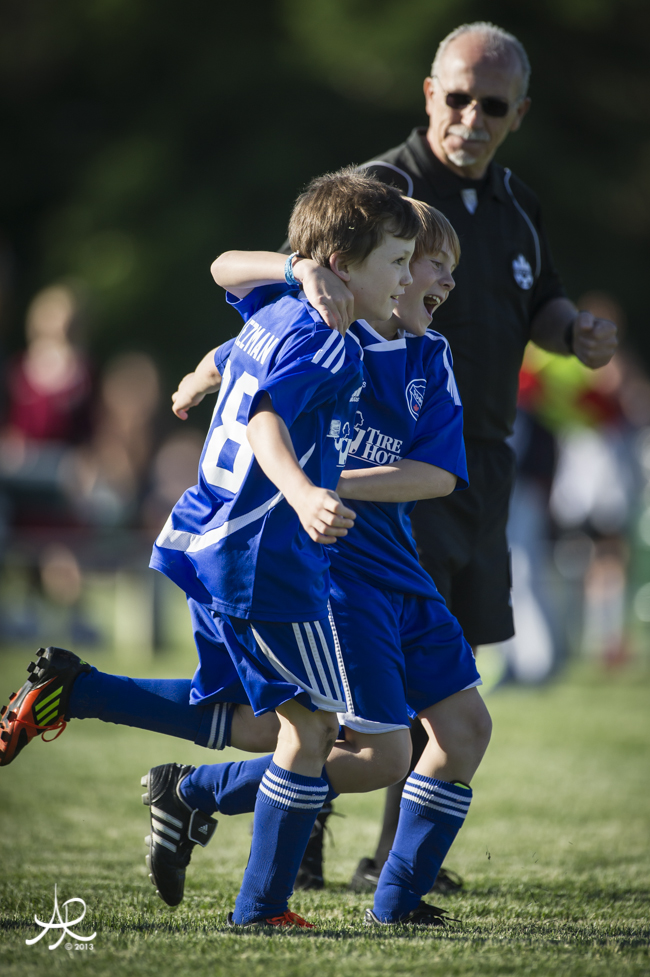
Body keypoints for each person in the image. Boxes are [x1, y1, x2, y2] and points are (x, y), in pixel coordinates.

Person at [0, 199, 490, 927]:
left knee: (449, 727)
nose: (446, 281)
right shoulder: (329, 325)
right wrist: (215, 378)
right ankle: (287, 882)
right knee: (346, 745)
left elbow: (439, 473)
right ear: (372, 268)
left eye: (452, 268)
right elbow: (248, 356)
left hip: (394, 570)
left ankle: (123, 731)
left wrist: (325, 479)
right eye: (428, 263)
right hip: (325, 573)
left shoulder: (426, 355)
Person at [344, 20, 619, 891]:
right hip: (394, 464)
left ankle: (394, 855)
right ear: (430, 93)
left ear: (518, 114)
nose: (470, 117)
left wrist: (575, 331)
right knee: (387, 667)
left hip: (483, 470)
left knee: (445, 665)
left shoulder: (518, 204)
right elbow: (308, 283)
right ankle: (311, 830)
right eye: (457, 97)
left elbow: (542, 302)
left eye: (491, 106)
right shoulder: (381, 191)